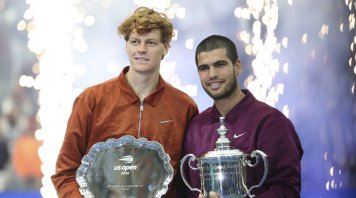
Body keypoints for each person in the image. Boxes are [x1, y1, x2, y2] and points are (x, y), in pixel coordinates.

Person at [51, 7, 198, 198]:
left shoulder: (183, 107)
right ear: (126, 45)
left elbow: (189, 178)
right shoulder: (92, 100)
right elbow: (65, 172)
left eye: (151, 43)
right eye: (135, 41)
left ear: (165, 48)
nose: (141, 49)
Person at [181, 35, 303, 198]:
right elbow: (189, 191)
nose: (212, 74)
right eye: (204, 68)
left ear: (237, 66)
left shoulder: (272, 123)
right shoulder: (196, 127)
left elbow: (287, 190)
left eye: (220, 65)